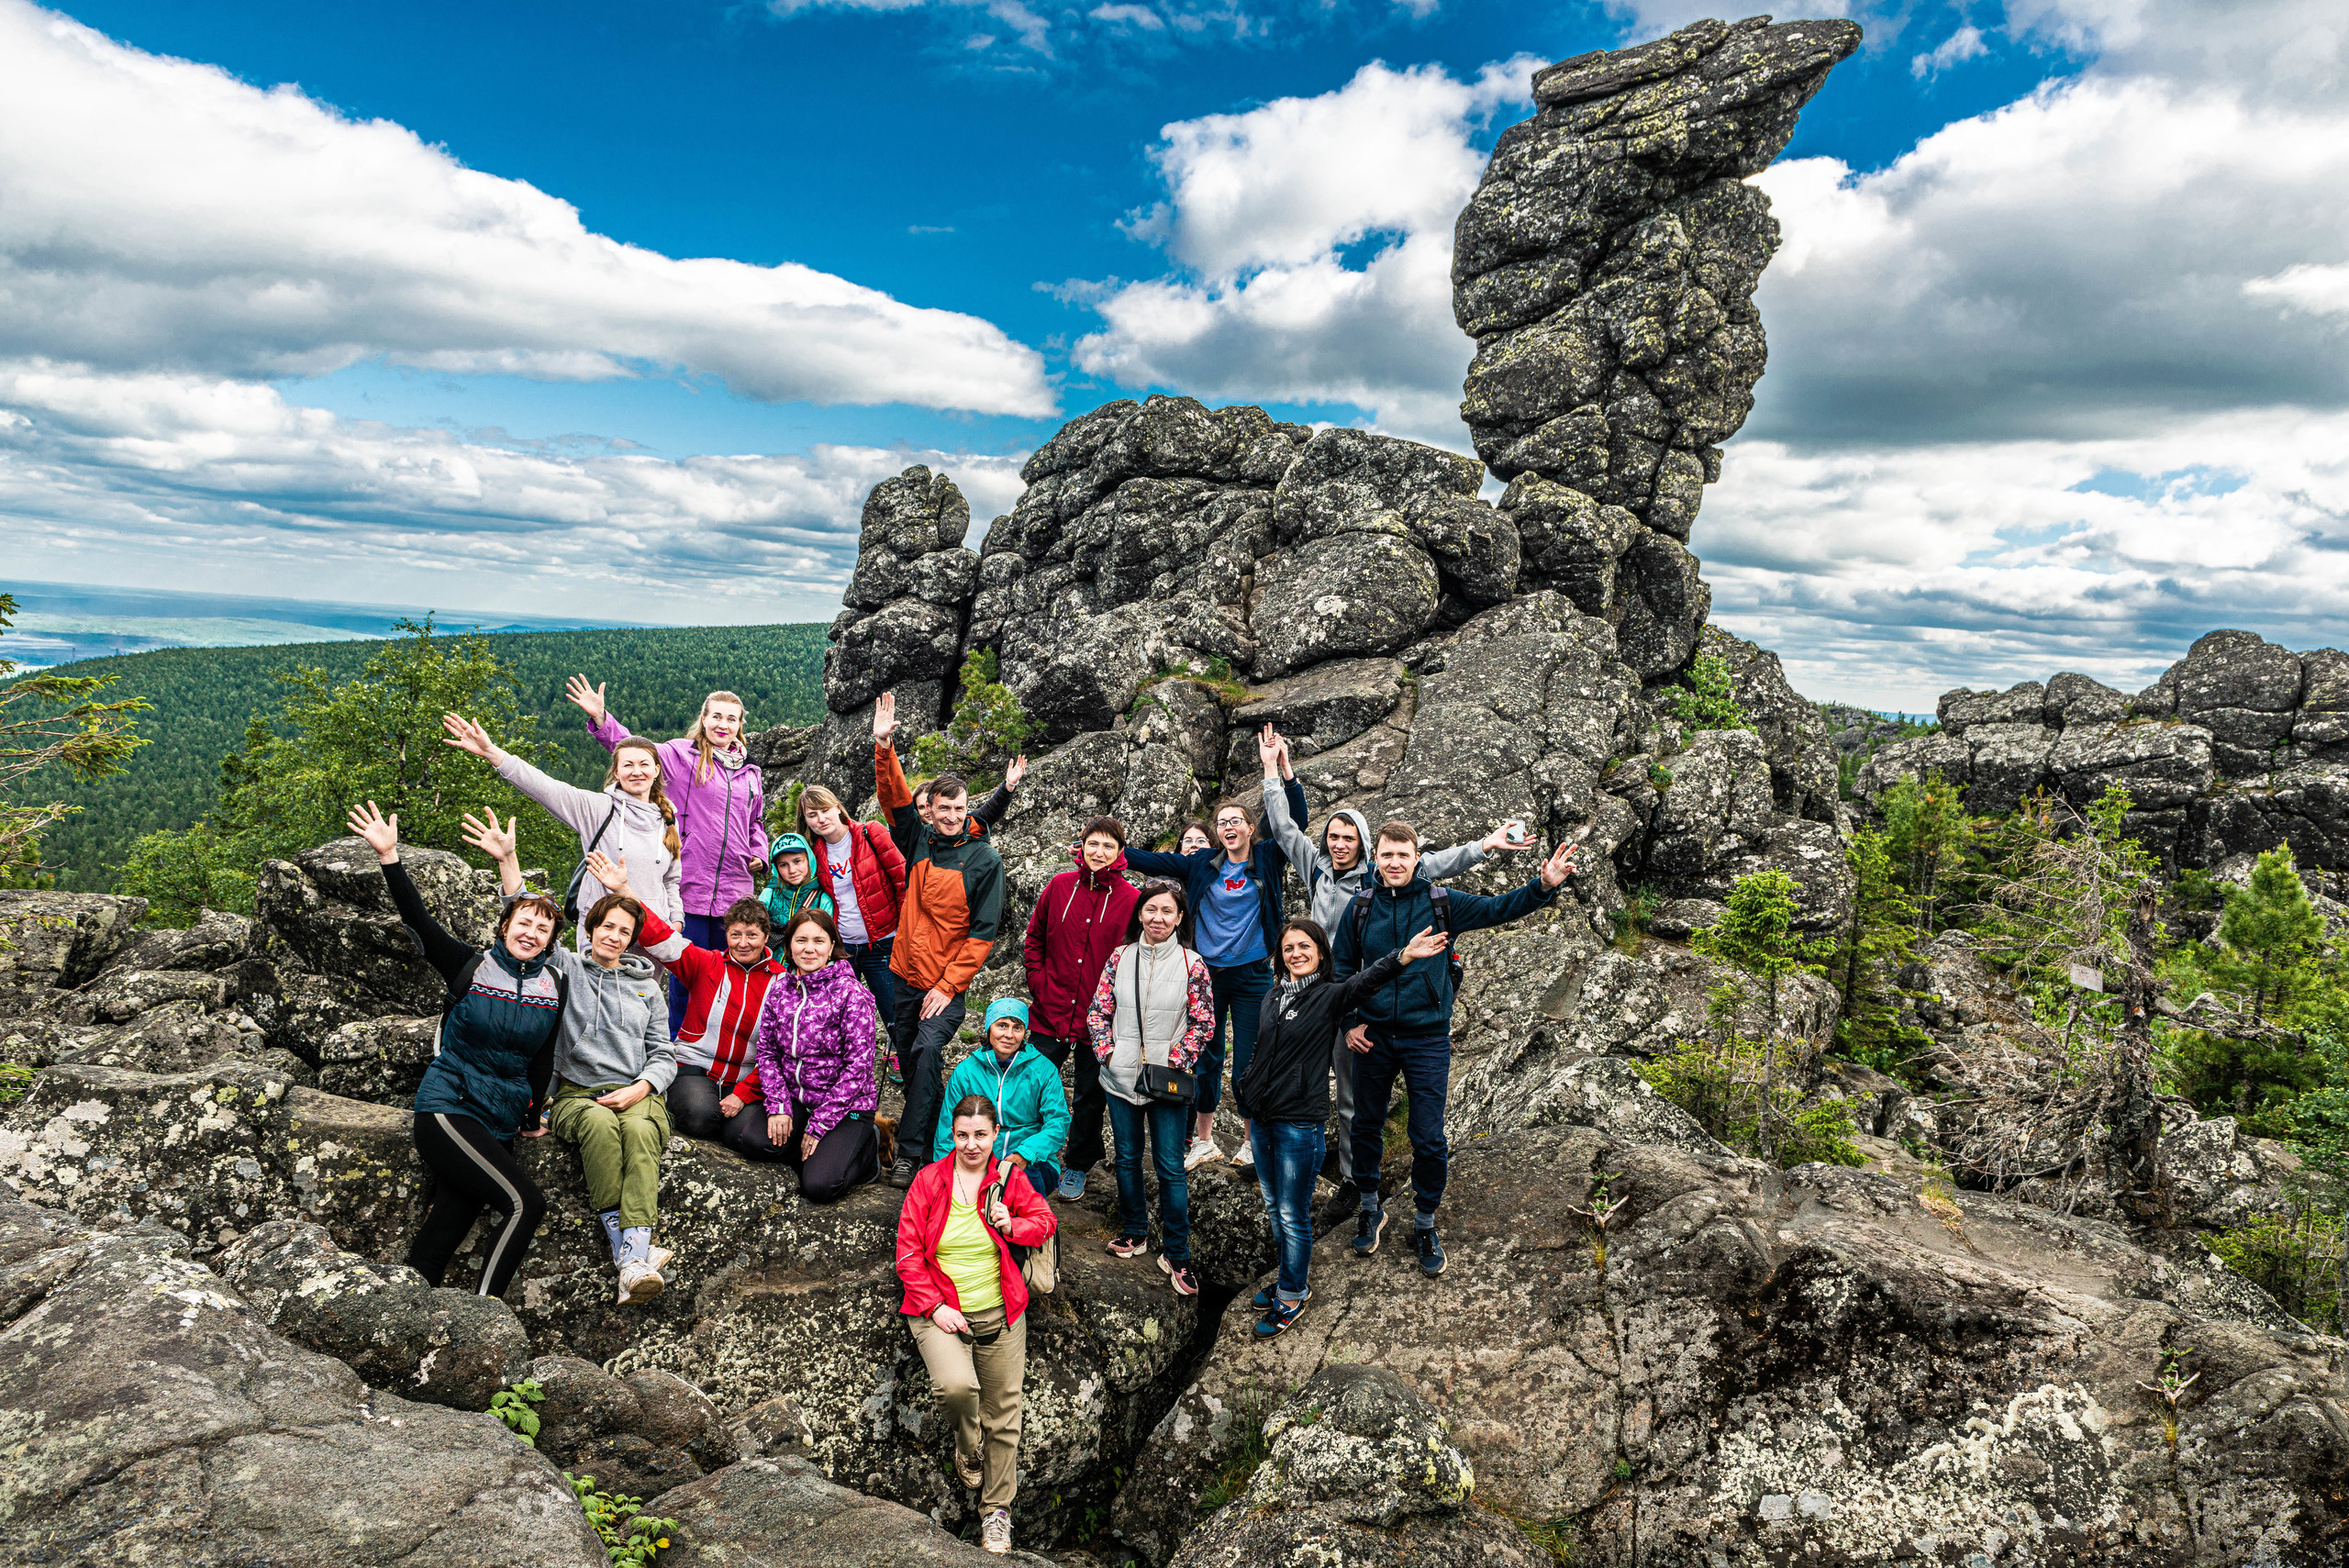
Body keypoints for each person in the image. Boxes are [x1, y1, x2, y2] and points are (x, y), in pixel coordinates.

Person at [1252, 723, 1525, 1210]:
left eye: (1349, 837)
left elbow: (1438, 863)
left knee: (1359, 1099)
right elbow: (1286, 827)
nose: (1339, 844)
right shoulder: (1314, 868)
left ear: (1365, 846)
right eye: (1333, 836)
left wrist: (1487, 845)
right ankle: (1309, 1161)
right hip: (1318, 992)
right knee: (1313, 1083)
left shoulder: (1377, 880)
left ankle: (1362, 1184)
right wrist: (1274, 770)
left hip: (1363, 996)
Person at [1333, 822, 1579, 1277]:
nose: (1394, 864)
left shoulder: (1441, 903)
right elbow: (1343, 968)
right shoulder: (1361, 908)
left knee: (1427, 1136)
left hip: (1427, 1036)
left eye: (1402, 856)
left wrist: (1543, 886)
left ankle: (1425, 1222)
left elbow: (1499, 908)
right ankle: (1370, 1208)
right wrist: (1350, 1021)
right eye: (1386, 856)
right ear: (1377, 860)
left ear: (1416, 858)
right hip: (1373, 1038)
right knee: (1364, 1125)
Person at [348, 800, 558, 1301]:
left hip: (500, 1121)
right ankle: (486, 1315)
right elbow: (419, 921)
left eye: (542, 929)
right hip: (450, 1108)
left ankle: (405, 1321)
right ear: (504, 928)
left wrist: (532, 1114)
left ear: (550, 941)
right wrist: (390, 857)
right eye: (522, 923)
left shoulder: (555, 984)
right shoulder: (469, 966)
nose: (530, 933)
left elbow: (542, 1059)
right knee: (525, 1204)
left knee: (444, 1232)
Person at [472, 812, 680, 1304]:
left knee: (641, 1130)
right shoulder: (567, 968)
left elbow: (664, 1054)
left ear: (632, 939)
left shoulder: (648, 987)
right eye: (607, 926)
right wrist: (509, 861)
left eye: (624, 930)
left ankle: (629, 1258)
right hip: (576, 1094)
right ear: (592, 929)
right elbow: (529, 924)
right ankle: (633, 1256)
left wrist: (642, 1087)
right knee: (602, 1130)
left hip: (636, 1091)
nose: (614, 936)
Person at [1234, 916, 1442, 1336]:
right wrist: (1245, 1092)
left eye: (1304, 947)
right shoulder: (1272, 997)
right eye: (1289, 947)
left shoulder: (1329, 996)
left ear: (1321, 954)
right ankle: (1286, 1279)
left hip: (1298, 1123)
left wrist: (1402, 957)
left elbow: (1364, 982)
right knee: (1275, 1208)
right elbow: (1259, 1052)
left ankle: (1292, 1295)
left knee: (1293, 1214)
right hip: (1263, 1119)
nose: (1296, 954)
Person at [896, 1095, 1057, 1556]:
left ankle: (996, 1515)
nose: (971, 1144)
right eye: (963, 1135)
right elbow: (907, 1254)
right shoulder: (929, 1180)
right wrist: (934, 1307)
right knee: (957, 1389)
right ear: (953, 1134)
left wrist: (1013, 1225)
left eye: (981, 1135)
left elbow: (1045, 1222)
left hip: (1001, 1312)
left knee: (1004, 1415)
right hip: (941, 1311)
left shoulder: (1010, 1180)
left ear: (994, 1135)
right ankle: (968, 1448)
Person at [566, 677, 768, 1031]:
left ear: (740, 725)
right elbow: (636, 754)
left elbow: (756, 821)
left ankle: (723, 1043)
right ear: (704, 719)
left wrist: (758, 852)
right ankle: (679, 1047)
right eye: (716, 716)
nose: (723, 725)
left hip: (735, 891)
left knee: (729, 977)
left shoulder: (752, 773)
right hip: (690, 887)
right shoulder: (680, 756)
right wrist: (602, 720)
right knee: (684, 978)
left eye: (731, 719)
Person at [872, 690, 1007, 1187]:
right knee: (912, 1065)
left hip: (944, 987)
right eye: (943, 808)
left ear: (968, 809)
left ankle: (911, 1156)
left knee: (928, 1052)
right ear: (931, 810)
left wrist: (947, 988)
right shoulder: (918, 839)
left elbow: (982, 935)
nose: (951, 815)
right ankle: (932, 1144)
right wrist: (885, 747)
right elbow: (894, 798)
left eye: (960, 808)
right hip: (904, 975)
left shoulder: (984, 861)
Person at [1124, 795, 1296, 1173]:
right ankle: (1204, 1142)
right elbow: (1156, 861)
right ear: (1216, 833)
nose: (1228, 827)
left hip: (1253, 974)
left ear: (1251, 828)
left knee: (1249, 1062)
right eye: (1221, 822)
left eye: (1236, 821)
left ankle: (1252, 1144)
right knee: (1207, 1057)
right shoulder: (1203, 863)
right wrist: (1114, 852)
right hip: (1207, 974)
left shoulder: (1267, 856)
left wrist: (1282, 774)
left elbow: (1292, 818)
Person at [588, 851, 788, 1158]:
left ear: (766, 937)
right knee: (701, 1118)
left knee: (752, 1138)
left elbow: (781, 1050)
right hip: (695, 1068)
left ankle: (729, 1121)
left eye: (752, 935)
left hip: (746, 1078)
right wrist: (623, 891)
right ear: (727, 934)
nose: (743, 942)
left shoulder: (783, 983)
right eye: (735, 934)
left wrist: (744, 1093)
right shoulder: (707, 964)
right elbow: (662, 938)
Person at [441, 712, 683, 953]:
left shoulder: (667, 815)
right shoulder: (598, 808)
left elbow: (671, 879)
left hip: (652, 934)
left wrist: (675, 921)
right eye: (628, 765)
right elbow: (547, 788)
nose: (636, 771)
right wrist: (493, 753)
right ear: (617, 773)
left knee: (647, 992)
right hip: (602, 932)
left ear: (657, 770)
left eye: (644, 764)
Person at [1085, 879, 1214, 1296]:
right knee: (1126, 1158)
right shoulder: (1119, 957)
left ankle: (1177, 1253)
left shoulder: (1193, 964)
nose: (1158, 918)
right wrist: (1108, 1054)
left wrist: (1174, 1063)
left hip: (1166, 1085)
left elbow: (1204, 1023)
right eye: (1151, 910)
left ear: (1180, 918)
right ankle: (1135, 1232)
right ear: (1140, 913)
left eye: (1167, 912)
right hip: (1119, 1078)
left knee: (1171, 1168)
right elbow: (1098, 1011)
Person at [1019, 815, 1137, 1199]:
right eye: (1093, 843)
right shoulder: (1059, 886)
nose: (1098, 852)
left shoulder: (1131, 899)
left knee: (1089, 1095)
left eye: (1108, 846)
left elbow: (1136, 958)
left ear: (1120, 852)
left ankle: (1078, 1164)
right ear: (1081, 846)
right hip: (1050, 1008)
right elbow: (1035, 937)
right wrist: (1038, 982)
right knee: (1033, 1084)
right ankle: (1025, 1155)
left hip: (1099, 1017)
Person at [751, 906, 884, 1201]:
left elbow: (858, 1069)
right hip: (798, 1100)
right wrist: (779, 1106)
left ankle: (867, 1151)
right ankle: (811, 1147)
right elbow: (768, 1051)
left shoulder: (852, 994)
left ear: (832, 946)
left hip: (847, 1108)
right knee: (752, 1141)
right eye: (801, 940)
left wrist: (819, 1125)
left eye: (819, 941)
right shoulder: (780, 989)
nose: (809, 949)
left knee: (820, 1186)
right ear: (788, 947)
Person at [798, 783, 910, 1079]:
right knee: (836, 1014)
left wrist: (905, 932)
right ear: (806, 820)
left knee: (893, 1013)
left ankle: (903, 1063)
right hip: (841, 948)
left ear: (838, 807)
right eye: (812, 815)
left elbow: (902, 880)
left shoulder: (869, 834)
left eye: (825, 810)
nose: (821, 819)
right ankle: (841, 1069)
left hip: (882, 942)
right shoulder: (813, 853)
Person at [934, 999, 1071, 1199]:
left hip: (1031, 1159)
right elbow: (948, 1126)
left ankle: (1036, 1228)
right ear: (989, 1028)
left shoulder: (1043, 1070)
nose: (1009, 1034)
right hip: (977, 1152)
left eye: (1017, 1027)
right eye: (1002, 1025)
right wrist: (944, 1172)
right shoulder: (966, 1072)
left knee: (1021, 1191)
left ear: (1025, 1033)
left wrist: (1025, 1153)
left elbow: (1058, 1123)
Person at [762, 832, 835, 927]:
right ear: (776, 869)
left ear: (809, 859)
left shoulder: (823, 898)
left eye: (797, 861)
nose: (792, 870)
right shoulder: (768, 895)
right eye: (783, 865)